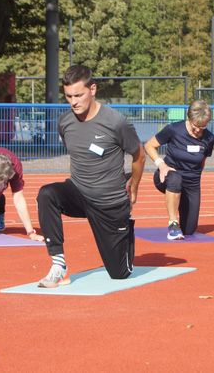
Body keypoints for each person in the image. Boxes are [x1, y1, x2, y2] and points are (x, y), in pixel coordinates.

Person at [37, 65, 145, 288]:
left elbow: (139, 155)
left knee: (119, 274)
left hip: (109, 203)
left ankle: (125, 226)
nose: (73, 102)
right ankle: (58, 264)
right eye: (68, 96)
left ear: (93, 89)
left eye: (78, 95)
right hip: (79, 193)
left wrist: (133, 184)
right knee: (47, 194)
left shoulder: (116, 122)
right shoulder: (65, 122)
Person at [144, 100, 214, 240]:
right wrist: (161, 164)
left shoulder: (209, 138)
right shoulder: (174, 129)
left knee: (189, 230)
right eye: (195, 126)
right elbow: (149, 146)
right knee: (176, 179)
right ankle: (173, 223)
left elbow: (202, 161)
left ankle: (182, 202)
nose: (198, 130)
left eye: (203, 126)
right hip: (167, 175)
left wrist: (194, 183)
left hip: (191, 182)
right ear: (189, 118)